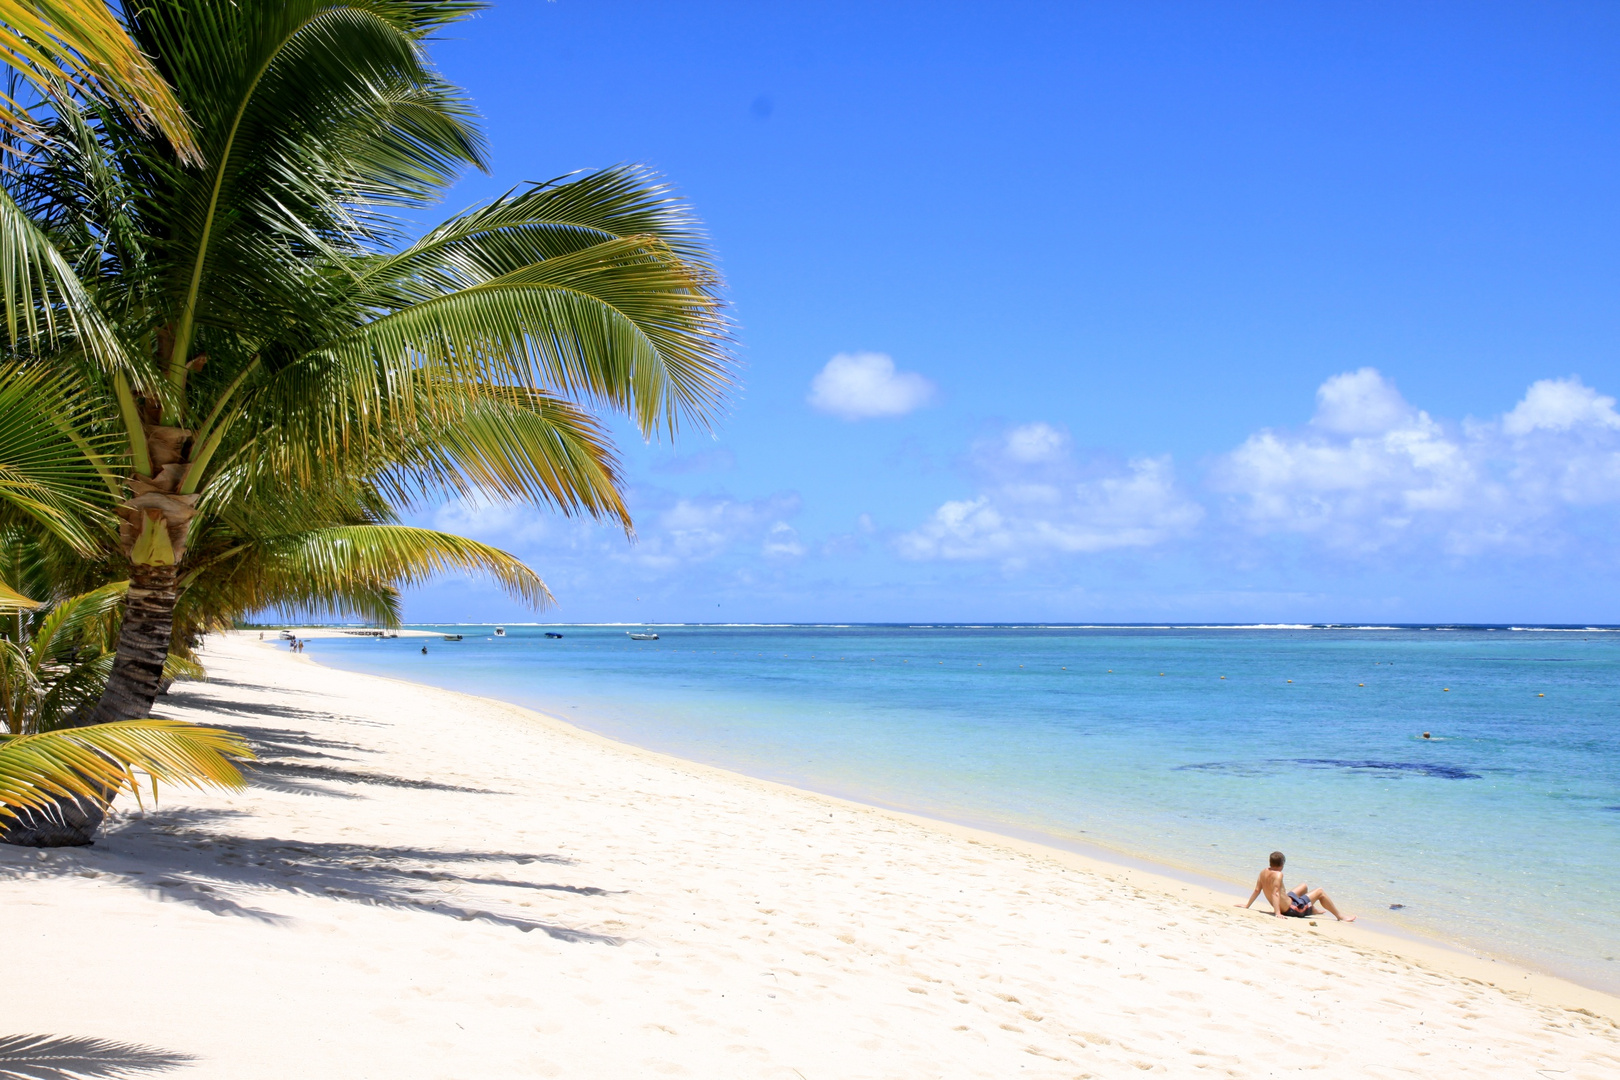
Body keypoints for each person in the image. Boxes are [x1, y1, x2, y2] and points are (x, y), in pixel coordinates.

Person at [1237, 851, 1355, 921]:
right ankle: (1340, 916)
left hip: (1287, 902)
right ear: (1282, 863)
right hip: (1291, 909)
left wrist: (1247, 905)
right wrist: (1277, 913)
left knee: (1303, 886)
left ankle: (1311, 909)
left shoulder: (1263, 872)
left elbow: (1257, 890)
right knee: (1320, 891)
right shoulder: (1279, 875)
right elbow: (1275, 893)